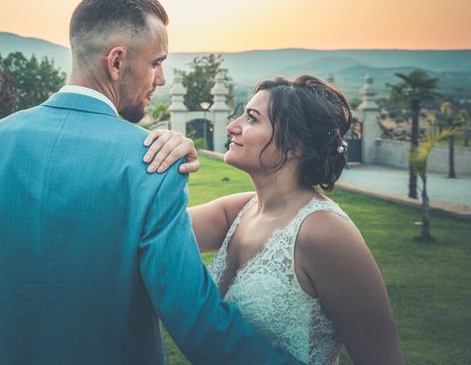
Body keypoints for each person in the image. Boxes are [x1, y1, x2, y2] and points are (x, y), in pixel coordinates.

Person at [0, 0, 303, 364]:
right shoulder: (152, 165)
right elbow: (196, 321)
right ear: (117, 62)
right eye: (156, 62)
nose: (162, 78)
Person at [145, 75, 404, 364]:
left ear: (295, 145)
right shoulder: (238, 210)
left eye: (252, 119)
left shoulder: (325, 233)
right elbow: (149, 233)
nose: (232, 126)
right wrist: (171, 153)